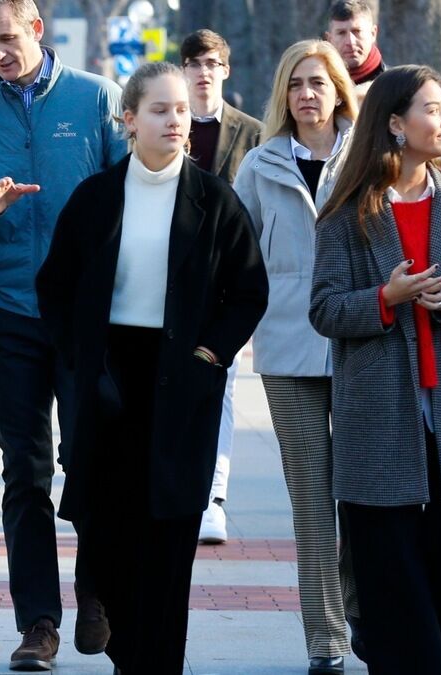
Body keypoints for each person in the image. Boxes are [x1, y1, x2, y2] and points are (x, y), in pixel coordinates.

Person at [36, 61, 268, 675]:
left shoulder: (215, 200)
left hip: (182, 382)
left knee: (167, 548)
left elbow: (247, 293)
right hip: (110, 382)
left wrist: (208, 357)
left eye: (182, 110)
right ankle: (117, 634)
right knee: (107, 536)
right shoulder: (95, 198)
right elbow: (54, 289)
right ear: (128, 120)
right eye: (159, 110)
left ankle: (156, 663)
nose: (174, 120)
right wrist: (83, 360)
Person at [0, 0, 127, 668]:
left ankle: (98, 592)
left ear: (37, 29)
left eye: (7, 37)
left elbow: (128, 192)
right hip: (11, 310)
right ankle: (38, 623)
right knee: (25, 468)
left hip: (85, 314)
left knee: (91, 462)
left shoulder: (95, 96)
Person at [310, 65, 441, 674]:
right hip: (378, 407)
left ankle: (397, 643)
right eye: (433, 109)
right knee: (387, 551)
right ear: (395, 124)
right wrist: (385, 299)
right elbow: (323, 307)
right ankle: (418, 660)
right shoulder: (348, 211)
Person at [231, 39, 358, 675]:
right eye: (295, 84)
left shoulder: (370, 158)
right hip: (286, 352)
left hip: (364, 346)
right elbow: (239, 257)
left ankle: (355, 603)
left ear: (338, 89)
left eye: (317, 82)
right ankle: (326, 642)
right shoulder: (259, 165)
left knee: (363, 496)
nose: (306, 94)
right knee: (311, 502)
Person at [178, 28, 264, 545]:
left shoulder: (251, 133)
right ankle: (181, 486)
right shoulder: (166, 122)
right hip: (171, 278)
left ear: (225, 70)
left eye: (212, 62)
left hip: (227, 281)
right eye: (194, 63)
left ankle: (214, 496)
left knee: (222, 383)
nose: (203, 71)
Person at [325, 0, 386, 103]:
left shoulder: (394, 86)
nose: (350, 42)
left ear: (373, 34)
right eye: (341, 33)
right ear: (329, 39)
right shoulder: (321, 88)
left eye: (357, 31)